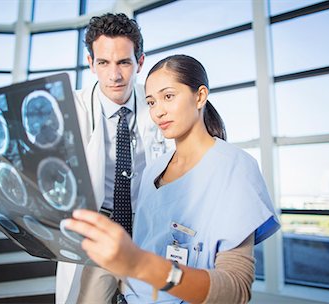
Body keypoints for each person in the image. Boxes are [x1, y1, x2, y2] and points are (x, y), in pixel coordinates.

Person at [63, 54, 281, 303]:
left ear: (199, 96)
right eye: (151, 102)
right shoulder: (152, 171)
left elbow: (235, 291)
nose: (158, 112)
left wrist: (142, 264)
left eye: (168, 97)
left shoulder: (235, 168)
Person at [55, 13, 171, 303]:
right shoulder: (72, 108)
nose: (114, 75)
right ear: (91, 63)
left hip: (149, 227)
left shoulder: (159, 106)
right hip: (101, 229)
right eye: (104, 63)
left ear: (140, 62)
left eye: (124, 62)